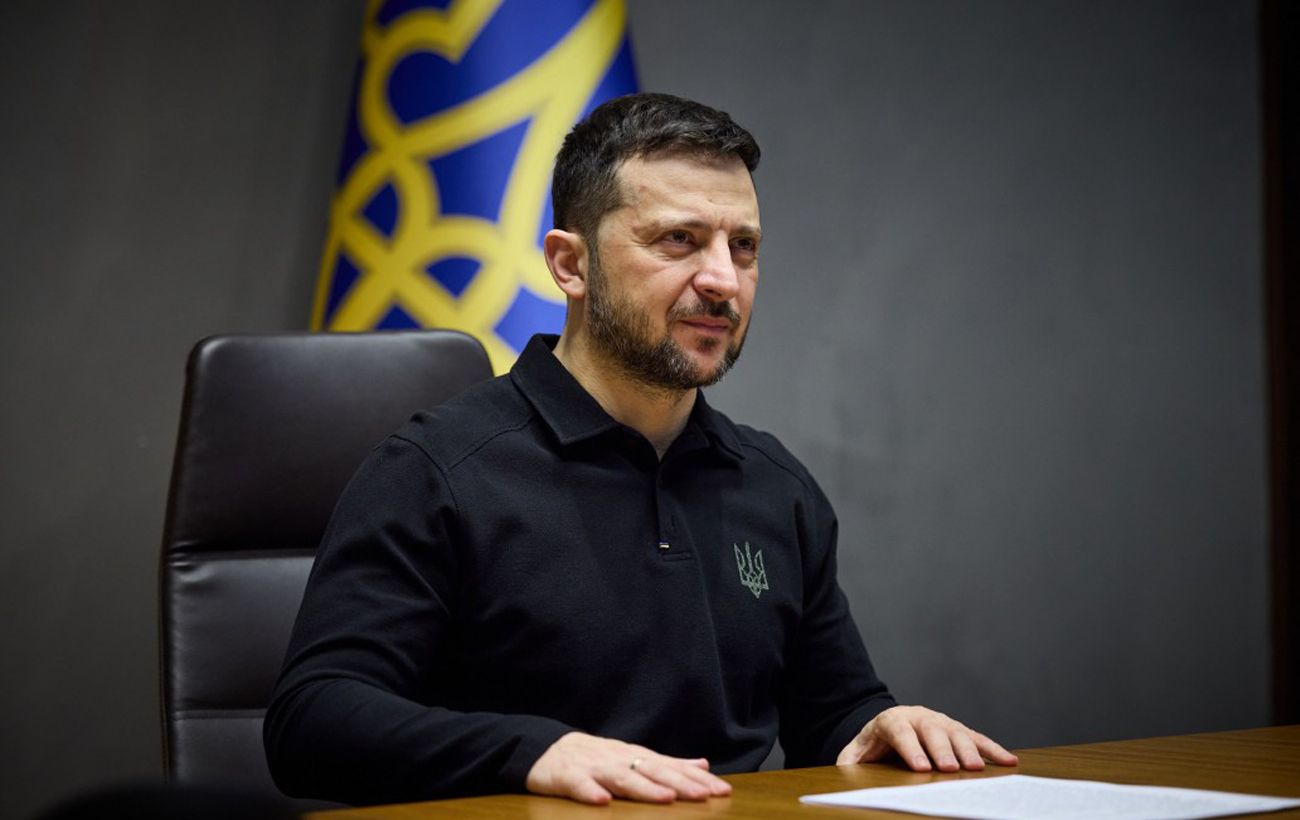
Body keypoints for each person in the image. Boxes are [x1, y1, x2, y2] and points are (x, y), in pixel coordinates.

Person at [264, 92, 1017, 807]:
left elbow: (832, 714)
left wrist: (877, 725)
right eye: (678, 240)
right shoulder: (436, 471)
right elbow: (312, 721)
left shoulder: (776, 488)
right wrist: (536, 754)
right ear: (571, 265)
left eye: (744, 247)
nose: (723, 280)